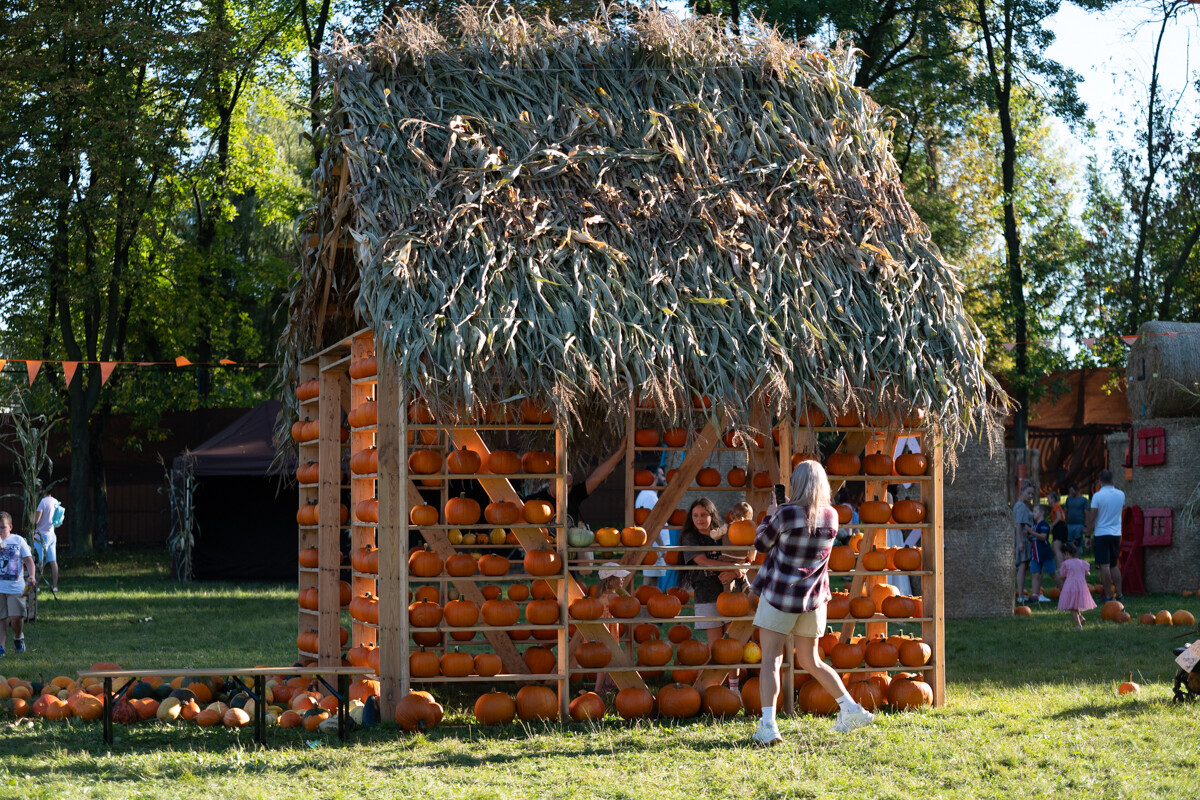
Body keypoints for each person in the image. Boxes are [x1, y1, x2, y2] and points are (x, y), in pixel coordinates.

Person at [750, 460, 874, 745]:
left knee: (771, 658)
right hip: (814, 598)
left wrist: (770, 515)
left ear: (796, 484)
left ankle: (768, 726)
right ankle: (850, 708)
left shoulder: (785, 513)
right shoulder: (832, 516)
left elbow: (760, 545)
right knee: (812, 660)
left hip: (780, 595)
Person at [525, 434, 629, 526]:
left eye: (569, 486)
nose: (566, 489)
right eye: (562, 485)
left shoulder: (574, 495)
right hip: (545, 547)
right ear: (550, 484)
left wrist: (621, 452)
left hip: (569, 545)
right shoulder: (535, 500)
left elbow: (597, 477)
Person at [678, 499, 741, 648]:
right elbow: (703, 561)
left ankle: (733, 673)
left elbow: (742, 556)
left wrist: (735, 571)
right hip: (706, 595)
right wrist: (733, 567)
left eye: (703, 515)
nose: (699, 519)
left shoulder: (724, 534)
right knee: (716, 648)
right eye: (695, 515)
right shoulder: (690, 538)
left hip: (730, 595)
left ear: (711, 515)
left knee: (732, 645)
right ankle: (713, 672)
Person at [0, 512, 36, 657]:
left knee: (16, 618)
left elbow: (28, 561)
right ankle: (1, 648)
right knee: (1, 619)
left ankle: (18, 637)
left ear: (10, 527)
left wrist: (32, 575)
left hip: (16, 587)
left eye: (3, 527)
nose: (0, 531)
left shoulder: (18, 541)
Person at [1086, 470, 1125, 602]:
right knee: (1114, 565)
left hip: (1102, 533)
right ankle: (1119, 594)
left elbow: (1092, 518)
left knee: (1104, 565)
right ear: (1113, 481)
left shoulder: (1097, 496)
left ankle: (1108, 595)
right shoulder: (1121, 494)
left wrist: (1087, 535)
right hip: (1116, 533)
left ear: (1100, 482)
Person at [593, 563, 631, 693]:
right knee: (606, 660)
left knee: (607, 658)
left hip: (601, 628)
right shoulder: (614, 597)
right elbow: (626, 607)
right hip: (609, 629)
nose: (623, 579)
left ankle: (607, 685)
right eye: (620, 577)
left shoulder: (600, 594)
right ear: (611, 579)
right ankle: (597, 689)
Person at [637, 469, 668, 588]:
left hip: (654, 545)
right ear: (653, 476)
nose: (664, 478)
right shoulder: (649, 496)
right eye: (661, 474)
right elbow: (651, 524)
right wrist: (661, 547)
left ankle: (647, 606)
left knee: (653, 582)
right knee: (650, 582)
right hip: (654, 546)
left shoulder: (648, 494)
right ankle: (645, 607)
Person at [1056, 542, 1096, 629]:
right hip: (1081, 586)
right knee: (1075, 603)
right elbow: (1087, 573)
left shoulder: (1066, 564)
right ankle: (1080, 617)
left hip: (1070, 586)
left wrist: (1059, 577)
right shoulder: (1082, 562)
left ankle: (1078, 625)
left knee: (1072, 606)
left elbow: (1063, 575)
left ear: (1066, 553)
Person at [33, 491, 61, 594]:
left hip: (41, 536)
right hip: (52, 535)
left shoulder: (43, 502)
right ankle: (55, 587)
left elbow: (36, 520)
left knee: (39, 561)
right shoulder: (56, 502)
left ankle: (36, 586)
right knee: (53, 561)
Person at [1012, 482, 1036, 604]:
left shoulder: (1021, 505)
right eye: (1028, 493)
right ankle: (1020, 595)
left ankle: (1021, 594)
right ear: (1022, 492)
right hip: (1023, 540)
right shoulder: (1021, 506)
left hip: (1026, 539)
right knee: (1022, 566)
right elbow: (1018, 525)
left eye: (1032, 493)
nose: (1030, 496)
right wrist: (1020, 542)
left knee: (1024, 566)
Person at [1028, 504, 1055, 602]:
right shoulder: (1035, 525)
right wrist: (1028, 536)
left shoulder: (1044, 524)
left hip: (1044, 554)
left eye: (1035, 511)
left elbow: (1043, 537)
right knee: (1035, 574)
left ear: (1042, 513)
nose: (1033, 514)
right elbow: (1034, 538)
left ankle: (1065, 591)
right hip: (1035, 555)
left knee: (1052, 573)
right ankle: (1035, 596)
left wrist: (1031, 533)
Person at [1063, 483, 1088, 548]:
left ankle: (1077, 556)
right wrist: (1064, 521)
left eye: (1072, 491)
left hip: (1079, 525)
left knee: (1077, 543)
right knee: (1068, 543)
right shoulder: (1068, 499)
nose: (1071, 492)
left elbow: (1086, 513)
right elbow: (1065, 510)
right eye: (1070, 491)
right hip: (1069, 524)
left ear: (1077, 490)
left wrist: (1085, 525)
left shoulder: (1083, 500)